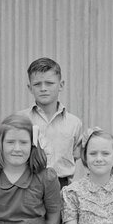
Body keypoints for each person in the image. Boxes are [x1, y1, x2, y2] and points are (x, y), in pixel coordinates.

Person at [18, 57, 82, 189]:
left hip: (62, 187)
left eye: (49, 83)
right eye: (37, 84)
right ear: (30, 88)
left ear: (61, 85)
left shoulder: (74, 123)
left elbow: (75, 157)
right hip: (27, 186)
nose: (43, 88)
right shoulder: (20, 120)